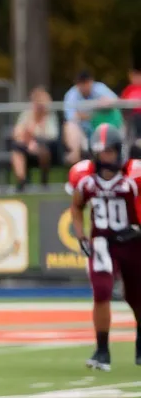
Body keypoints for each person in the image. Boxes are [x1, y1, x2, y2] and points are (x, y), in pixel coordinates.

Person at [68, 124, 141, 371]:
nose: (105, 157)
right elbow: (77, 205)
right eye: (101, 151)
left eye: (109, 151)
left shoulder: (134, 175)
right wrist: (81, 236)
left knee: (136, 297)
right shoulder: (85, 177)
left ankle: (140, 341)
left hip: (133, 242)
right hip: (102, 242)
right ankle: (102, 350)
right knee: (102, 291)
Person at [63, 70, 122, 164]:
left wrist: (107, 104)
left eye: (87, 83)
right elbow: (71, 117)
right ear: (77, 84)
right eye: (82, 83)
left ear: (91, 82)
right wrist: (95, 113)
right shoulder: (71, 95)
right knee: (70, 126)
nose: (85, 86)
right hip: (82, 132)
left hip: (101, 129)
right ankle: (75, 157)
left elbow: (117, 102)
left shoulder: (100, 88)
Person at [11, 88, 62, 189]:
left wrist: (35, 139)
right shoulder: (26, 114)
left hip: (46, 148)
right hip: (26, 146)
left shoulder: (50, 116)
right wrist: (29, 141)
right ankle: (22, 180)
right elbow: (17, 133)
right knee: (16, 149)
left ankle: (44, 180)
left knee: (43, 150)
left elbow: (51, 136)